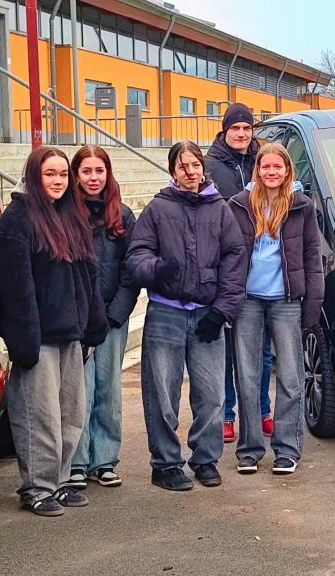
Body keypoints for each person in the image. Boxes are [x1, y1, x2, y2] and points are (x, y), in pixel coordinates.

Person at [0, 146, 107, 516]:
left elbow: (89, 276)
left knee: (70, 414)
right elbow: (15, 286)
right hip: (37, 338)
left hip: (71, 335)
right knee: (39, 417)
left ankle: (58, 481)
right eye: (49, 174)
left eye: (61, 174)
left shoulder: (72, 216)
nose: (57, 181)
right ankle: (36, 487)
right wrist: (23, 340)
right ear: (34, 177)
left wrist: (93, 326)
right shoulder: (18, 219)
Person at [126, 141, 246, 491]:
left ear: (202, 168)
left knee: (210, 394)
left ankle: (206, 459)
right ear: (172, 171)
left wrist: (222, 310)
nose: (190, 172)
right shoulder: (158, 209)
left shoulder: (219, 209)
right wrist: (158, 268)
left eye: (195, 165)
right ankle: (165, 464)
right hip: (166, 312)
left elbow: (235, 258)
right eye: (182, 166)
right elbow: (137, 255)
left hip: (207, 314)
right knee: (162, 394)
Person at [228, 143, 323, 475]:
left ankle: (287, 448)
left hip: (286, 301)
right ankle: (250, 449)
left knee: (292, 378)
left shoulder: (301, 207)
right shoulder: (239, 205)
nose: (271, 172)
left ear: (287, 171)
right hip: (248, 301)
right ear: (258, 170)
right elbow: (229, 255)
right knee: (248, 376)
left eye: (277, 167)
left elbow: (313, 257)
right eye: (265, 167)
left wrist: (313, 304)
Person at [64, 146, 140, 490]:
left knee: (108, 390)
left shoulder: (121, 215)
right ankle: (77, 461)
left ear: (108, 174)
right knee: (78, 391)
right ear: (76, 175)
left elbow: (131, 270)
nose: (94, 178)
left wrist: (116, 314)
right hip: (76, 319)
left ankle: (105, 459)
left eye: (100, 171)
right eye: (86, 171)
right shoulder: (64, 214)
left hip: (111, 319)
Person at [204, 101, 272, 443]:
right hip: (227, 265)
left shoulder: (264, 159)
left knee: (262, 349)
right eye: (236, 128)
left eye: (247, 128)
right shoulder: (212, 165)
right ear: (225, 130)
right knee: (230, 349)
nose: (242, 134)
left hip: (262, 266)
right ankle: (228, 413)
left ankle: (262, 410)